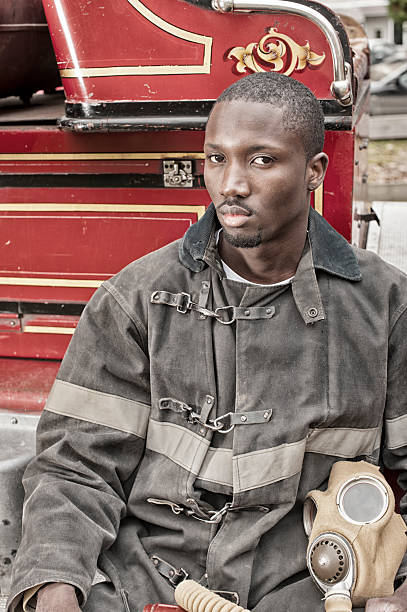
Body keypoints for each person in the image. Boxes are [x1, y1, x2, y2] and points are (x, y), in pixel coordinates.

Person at [7, 72, 407, 612]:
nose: (231, 184)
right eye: (216, 159)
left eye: (261, 160)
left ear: (314, 172)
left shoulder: (386, 307)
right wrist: (56, 589)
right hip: (145, 583)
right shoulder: (137, 298)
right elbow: (75, 468)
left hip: (309, 588)